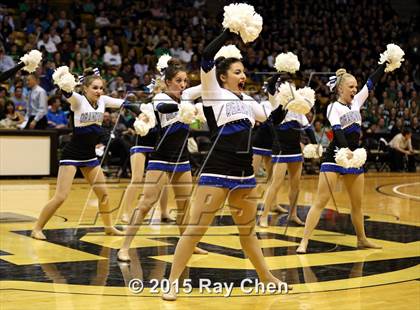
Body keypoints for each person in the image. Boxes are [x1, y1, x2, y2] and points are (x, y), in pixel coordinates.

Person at [161, 29, 286, 301]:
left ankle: (266, 276)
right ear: (223, 76)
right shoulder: (212, 92)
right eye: (238, 72)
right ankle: (171, 282)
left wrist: (276, 91)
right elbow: (206, 55)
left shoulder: (249, 100)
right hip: (217, 169)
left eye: (243, 72)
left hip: (245, 173)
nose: (243, 76)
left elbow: (270, 117)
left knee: (248, 232)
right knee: (195, 231)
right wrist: (228, 33)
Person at [117, 58, 206, 261]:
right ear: (167, 82)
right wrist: (185, 108)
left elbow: (206, 86)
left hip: (181, 159)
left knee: (184, 205)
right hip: (161, 158)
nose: (183, 85)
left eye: (185, 81)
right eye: (178, 80)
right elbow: (165, 109)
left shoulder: (187, 97)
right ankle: (124, 247)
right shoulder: (160, 99)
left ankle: (188, 245)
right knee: (146, 203)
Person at [296, 64, 389, 254]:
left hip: (354, 157)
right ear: (340, 89)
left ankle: (362, 239)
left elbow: (371, 81)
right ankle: (304, 241)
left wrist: (385, 63)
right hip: (335, 156)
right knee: (321, 201)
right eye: (351, 87)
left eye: (356, 87)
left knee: (357, 205)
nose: (355, 90)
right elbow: (337, 131)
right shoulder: (333, 107)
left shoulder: (356, 102)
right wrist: (345, 150)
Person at [31, 68, 125, 240]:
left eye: (101, 88)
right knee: (61, 196)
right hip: (72, 154)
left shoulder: (103, 100)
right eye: (95, 88)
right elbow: (67, 94)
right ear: (85, 88)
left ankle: (109, 227)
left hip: (89, 156)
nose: (99, 91)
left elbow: (124, 103)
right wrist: (64, 83)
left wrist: (146, 106)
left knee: (103, 194)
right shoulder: (78, 101)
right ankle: (37, 228)